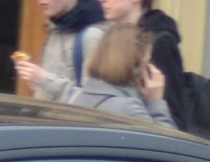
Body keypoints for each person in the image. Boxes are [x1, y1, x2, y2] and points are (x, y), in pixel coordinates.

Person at [21, 22, 172, 126]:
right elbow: (168, 152)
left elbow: (67, 90)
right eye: (147, 62)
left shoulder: (80, 98)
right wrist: (156, 102)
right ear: (136, 66)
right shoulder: (128, 109)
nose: (151, 68)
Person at [14, 0, 102, 97]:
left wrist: (43, 78)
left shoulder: (93, 35)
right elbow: (51, 86)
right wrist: (33, 75)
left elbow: (91, 100)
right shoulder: (56, 26)